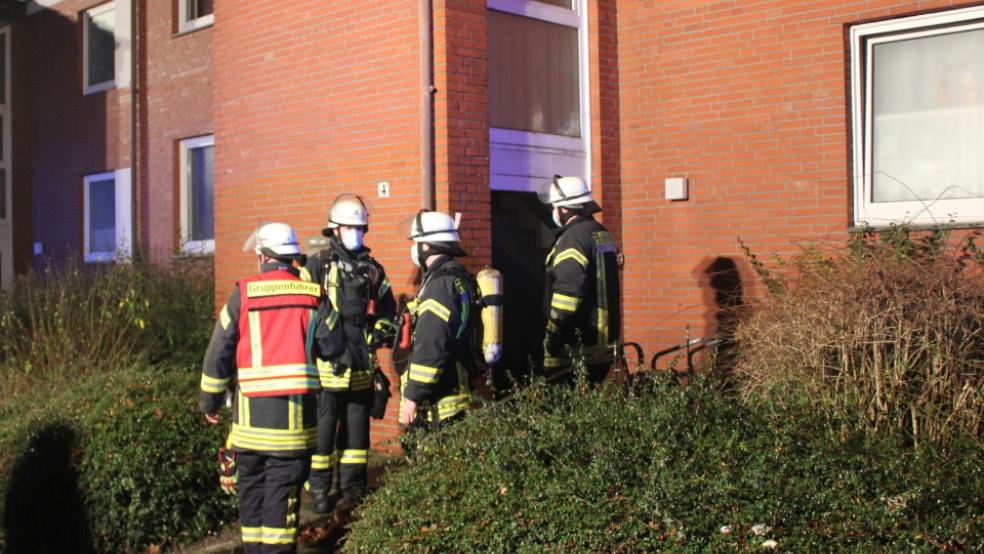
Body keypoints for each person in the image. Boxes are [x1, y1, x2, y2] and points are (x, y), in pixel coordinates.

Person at [199, 222, 346, 554]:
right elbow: (335, 346)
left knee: (251, 498)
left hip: (248, 430)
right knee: (282, 503)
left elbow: (218, 350)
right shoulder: (312, 295)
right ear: (292, 258)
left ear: (263, 257)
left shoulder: (243, 293)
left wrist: (209, 400)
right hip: (292, 431)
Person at [302, 194, 396, 514]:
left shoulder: (373, 269)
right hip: (328, 365)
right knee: (324, 432)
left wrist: (383, 329)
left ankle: (352, 489)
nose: (357, 233)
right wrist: (329, 347)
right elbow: (308, 311)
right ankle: (318, 490)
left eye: (361, 228)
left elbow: (387, 307)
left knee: (357, 432)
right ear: (335, 230)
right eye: (350, 228)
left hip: (361, 363)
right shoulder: (317, 265)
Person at [399, 210, 476, 434]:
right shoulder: (456, 276)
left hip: (439, 402)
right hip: (453, 391)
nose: (414, 248)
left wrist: (413, 396)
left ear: (427, 246)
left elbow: (431, 342)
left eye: (416, 242)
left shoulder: (439, 286)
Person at [538, 175, 621, 384]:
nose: (552, 212)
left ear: (565, 209)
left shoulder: (573, 238)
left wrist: (553, 334)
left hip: (576, 346)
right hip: (603, 341)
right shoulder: (600, 233)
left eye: (554, 207)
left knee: (564, 407)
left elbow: (568, 293)